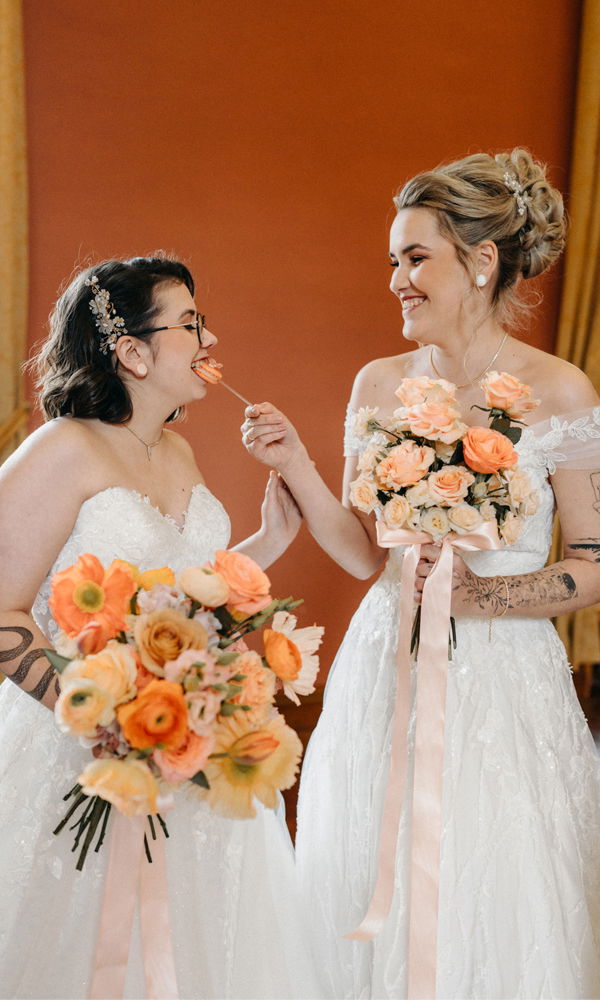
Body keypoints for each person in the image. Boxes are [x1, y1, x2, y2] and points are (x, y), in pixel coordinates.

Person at [241, 149, 600, 999]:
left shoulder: (562, 391)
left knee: (493, 885)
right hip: (385, 665)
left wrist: (481, 598)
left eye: (414, 258)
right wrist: (296, 467)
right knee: (373, 860)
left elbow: (592, 565)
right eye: (393, 261)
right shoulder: (379, 383)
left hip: (504, 685)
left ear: (480, 263)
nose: (396, 280)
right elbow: (370, 554)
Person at [0, 255, 325, 1000]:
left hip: (185, 759)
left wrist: (266, 546)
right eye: (188, 324)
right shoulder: (63, 448)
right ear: (132, 352)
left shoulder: (175, 450)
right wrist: (103, 719)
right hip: (79, 756)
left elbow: (181, 605)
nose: (208, 339)